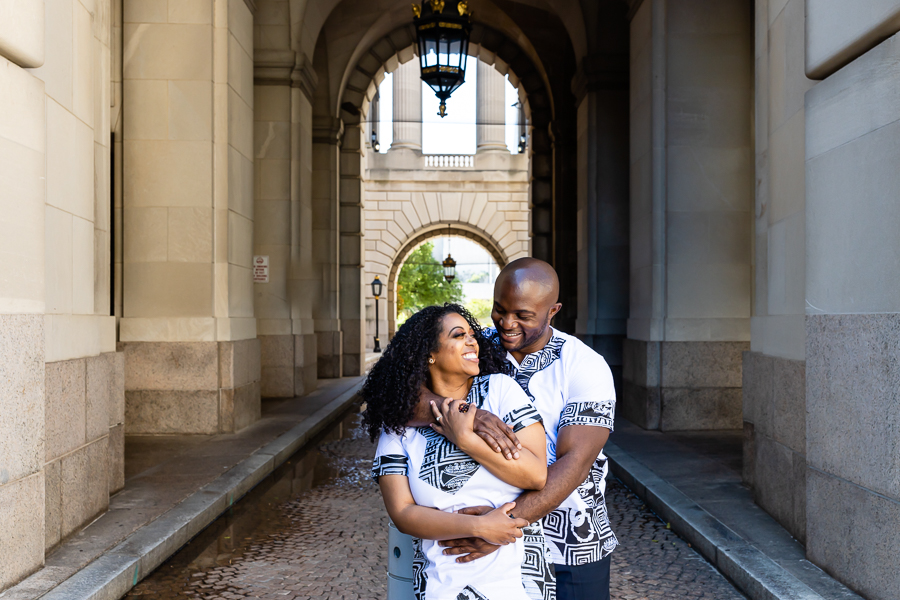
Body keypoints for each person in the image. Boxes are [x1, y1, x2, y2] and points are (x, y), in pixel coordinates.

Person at [437, 258, 618, 600]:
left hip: (569, 544)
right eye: (499, 310)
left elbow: (575, 464)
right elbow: (405, 387)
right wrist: (468, 413)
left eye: (522, 315)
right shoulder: (475, 349)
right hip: (488, 544)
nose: (507, 323)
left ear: (553, 311)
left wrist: (499, 526)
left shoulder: (585, 366)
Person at [363, 303, 554, 600]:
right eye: (457, 335)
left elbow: (537, 475)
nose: (471, 341)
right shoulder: (400, 426)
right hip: (444, 582)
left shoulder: (500, 392)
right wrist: (479, 526)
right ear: (429, 354)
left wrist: (467, 440)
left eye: (471, 334)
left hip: (517, 578)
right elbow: (402, 512)